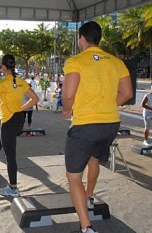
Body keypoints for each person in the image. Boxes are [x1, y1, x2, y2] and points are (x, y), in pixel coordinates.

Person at [62, 21, 133, 233]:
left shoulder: (75, 61)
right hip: (111, 123)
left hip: (85, 125)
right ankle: (90, 196)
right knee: (94, 160)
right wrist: (107, 105)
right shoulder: (115, 61)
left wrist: (67, 109)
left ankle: (87, 228)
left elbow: (68, 95)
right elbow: (127, 94)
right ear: (98, 38)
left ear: (82, 38)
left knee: (74, 177)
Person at [0, 54, 39, 197]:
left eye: (0, 65)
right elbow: (35, 98)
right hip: (19, 119)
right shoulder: (20, 81)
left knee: (10, 156)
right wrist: (22, 109)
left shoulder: (1, 84)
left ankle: (13, 188)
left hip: (9, 121)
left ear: (3, 67)